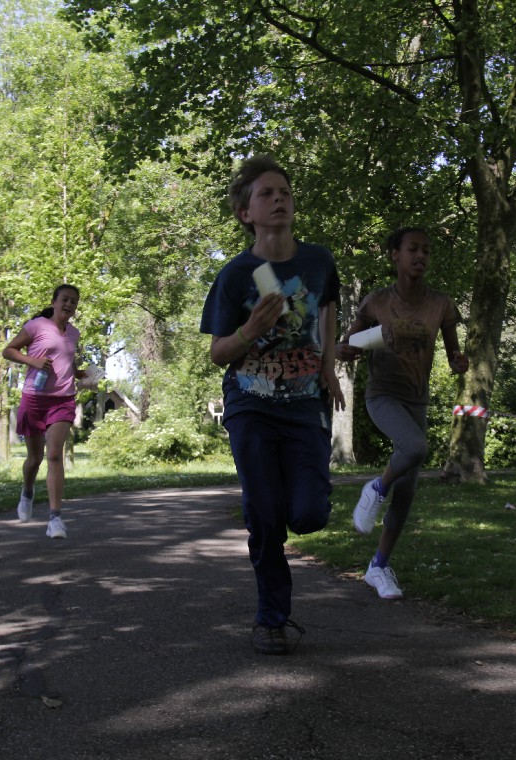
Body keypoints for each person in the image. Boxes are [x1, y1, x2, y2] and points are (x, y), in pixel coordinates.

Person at [200, 155, 345, 656]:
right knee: (264, 517)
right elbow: (218, 352)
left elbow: (328, 306)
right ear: (246, 213)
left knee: (307, 515)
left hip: (305, 406)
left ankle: (280, 499)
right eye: (267, 193)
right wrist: (251, 330)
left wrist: (328, 365)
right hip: (251, 405)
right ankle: (272, 620)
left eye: (284, 191)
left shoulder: (318, 261)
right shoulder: (236, 275)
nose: (279, 198)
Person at [337, 227, 468, 600]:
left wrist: (459, 362)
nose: (421, 256)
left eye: (426, 250)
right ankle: (376, 488)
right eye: (413, 249)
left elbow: (454, 354)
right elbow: (348, 345)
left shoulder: (441, 304)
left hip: (416, 399)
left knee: (407, 490)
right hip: (382, 395)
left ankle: (378, 567)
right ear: (395, 254)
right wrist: (347, 348)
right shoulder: (376, 302)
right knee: (414, 447)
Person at [1, 284, 85, 539]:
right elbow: (8, 350)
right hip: (35, 399)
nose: (69, 305)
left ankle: (55, 519)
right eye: (65, 300)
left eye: (73, 301)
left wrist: (79, 373)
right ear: (54, 302)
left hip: (63, 400)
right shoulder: (36, 326)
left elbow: (68, 361)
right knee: (34, 459)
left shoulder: (74, 333)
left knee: (55, 455)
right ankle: (27, 491)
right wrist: (34, 361)